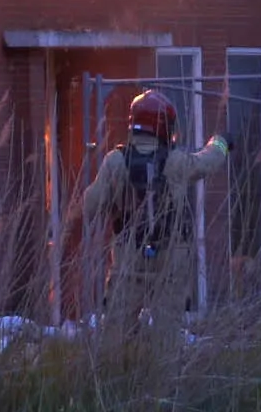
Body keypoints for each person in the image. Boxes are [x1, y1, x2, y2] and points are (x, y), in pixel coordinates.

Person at [81, 88, 232, 332]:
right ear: (165, 126)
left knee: (116, 332)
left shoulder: (115, 161)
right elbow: (208, 161)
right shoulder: (176, 161)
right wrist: (220, 142)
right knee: (167, 333)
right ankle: (162, 356)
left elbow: (90, 206)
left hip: (128, 258)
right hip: (171, 259)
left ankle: (121, 357)